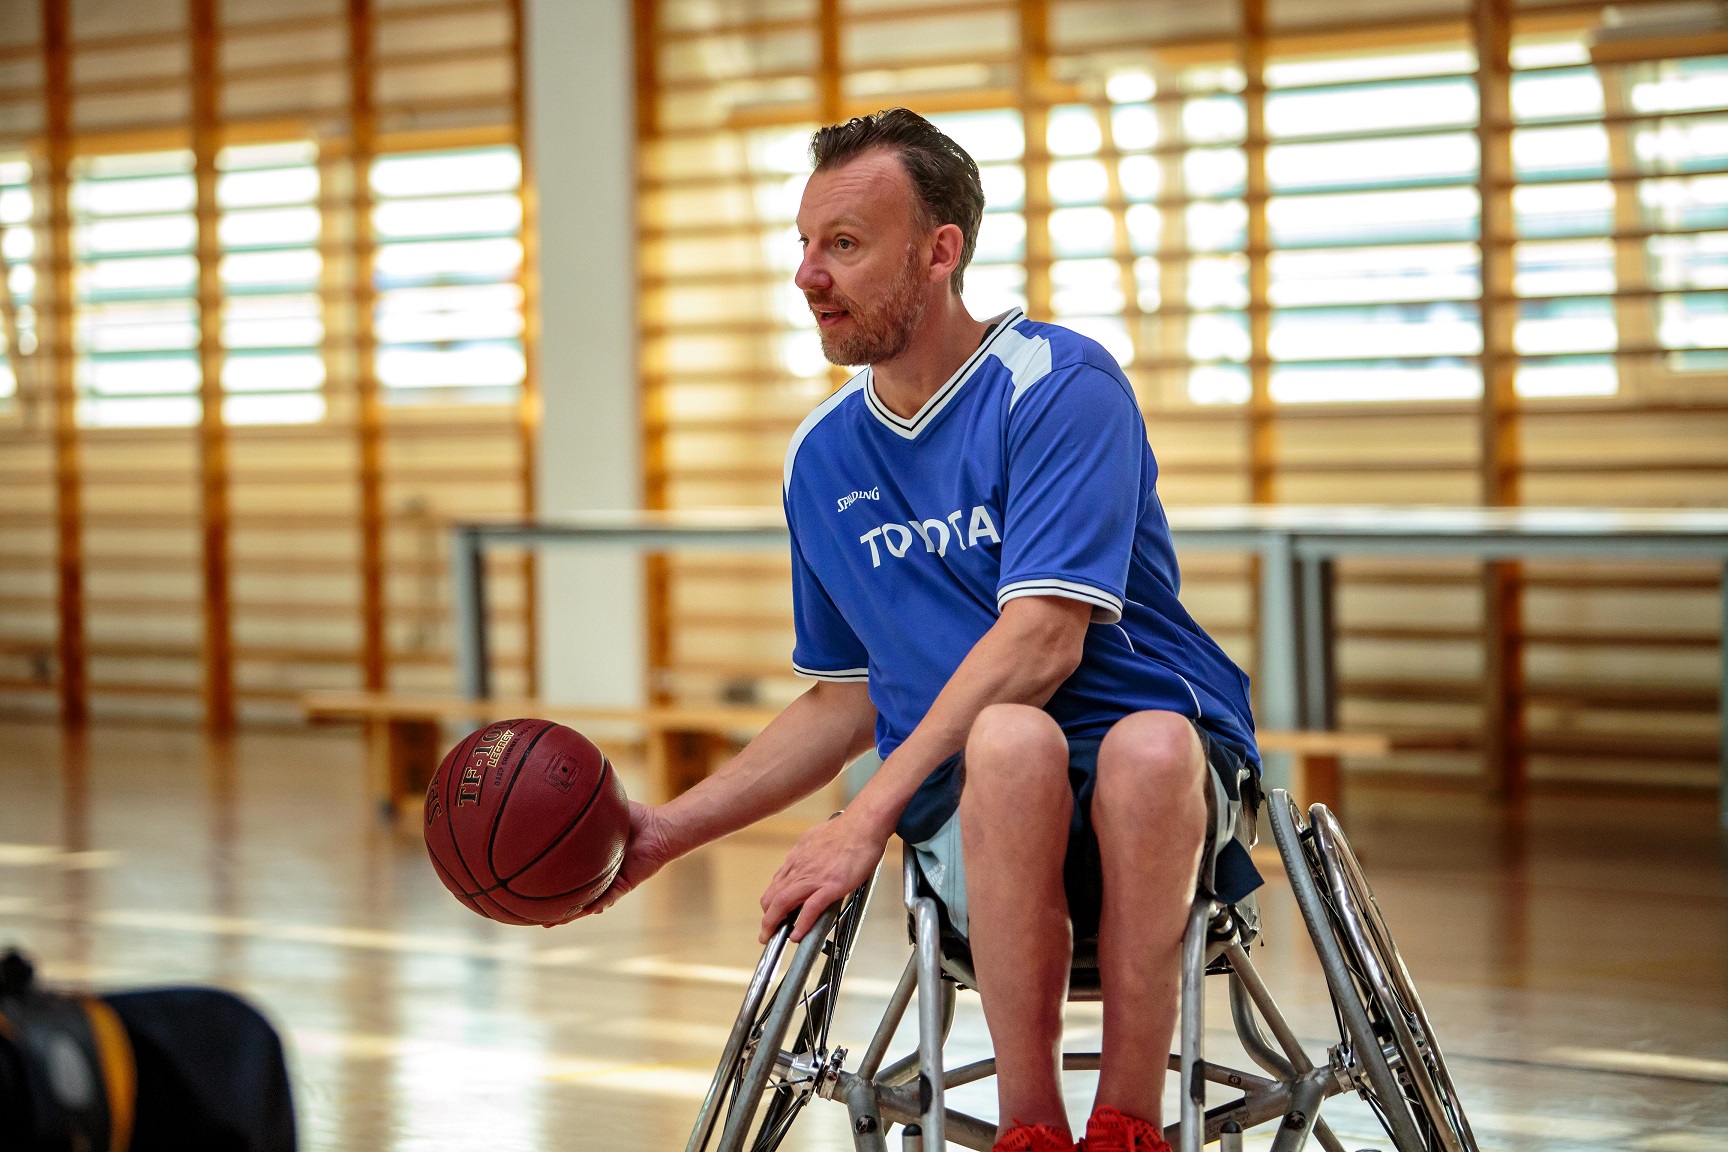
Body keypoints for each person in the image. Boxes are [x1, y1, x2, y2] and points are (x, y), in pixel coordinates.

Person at [579, 108, 1261, 1152]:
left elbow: (1044, 642)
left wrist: (864, 819)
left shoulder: (1058, 384)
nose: (809, 275)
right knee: (1008, 741)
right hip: (974, 806)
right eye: (805, 244)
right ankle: (1032, 1129)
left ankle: (1128, 1123)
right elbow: (847, 697)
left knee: (1146, 742)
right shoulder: (822, 457)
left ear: (940, 252)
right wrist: (667, 830)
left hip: (1159, 781)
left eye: (845, 244)